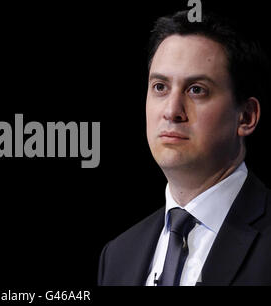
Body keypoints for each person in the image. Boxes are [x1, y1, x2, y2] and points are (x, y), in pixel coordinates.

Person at [98, 10, 271, 286]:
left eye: (196, 90)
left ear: (246, 116)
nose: (172, 111)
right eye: (160, 87)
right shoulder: (117, 256)